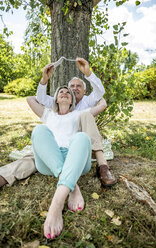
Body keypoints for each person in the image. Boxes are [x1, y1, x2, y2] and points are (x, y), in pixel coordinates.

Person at [0, 57, 116, 188]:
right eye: (70, 87)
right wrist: (45, 80)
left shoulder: (84, 108)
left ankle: (102, 166)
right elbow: (36, 99)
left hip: (74, 149)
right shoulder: (51, 112)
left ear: (84, 91)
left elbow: (100, 96)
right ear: (56, 98)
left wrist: (88, 73)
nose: (73, 89)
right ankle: (3, 176)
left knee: (86, 117)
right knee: (31, 156)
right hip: (52, 149)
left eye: (78, 86)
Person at [29, 85, 105, 238]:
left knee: (82, 137)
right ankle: (73, 187)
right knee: (39, 130)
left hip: (75, 159)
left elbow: (102, 104)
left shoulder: (78, 114)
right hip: (50, 160)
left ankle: (56, 204)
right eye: (61, 92)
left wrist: (94, 89)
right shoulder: (48, 114)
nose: (64, 93)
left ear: (72, 101)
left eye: (68, 93)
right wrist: (49, 99)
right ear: (56, 99)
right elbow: (30, 99)